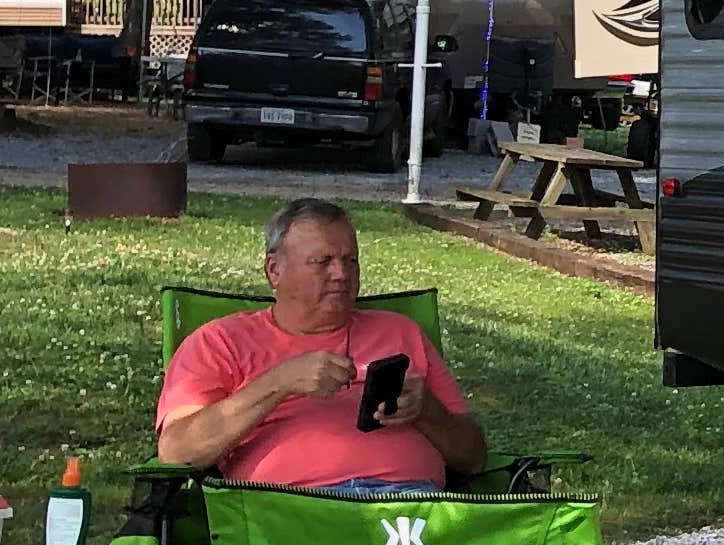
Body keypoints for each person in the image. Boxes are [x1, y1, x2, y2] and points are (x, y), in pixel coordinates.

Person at [155, 196, 487, 491]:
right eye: (322, 261)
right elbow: (177, 452)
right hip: (293, 511)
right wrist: (278, 383)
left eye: (350, 260)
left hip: (408, 511)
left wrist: (428, 411)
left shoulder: (401, 331)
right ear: (274, 270)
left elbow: (474, 459)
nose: (341, 274)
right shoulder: (221, 342)